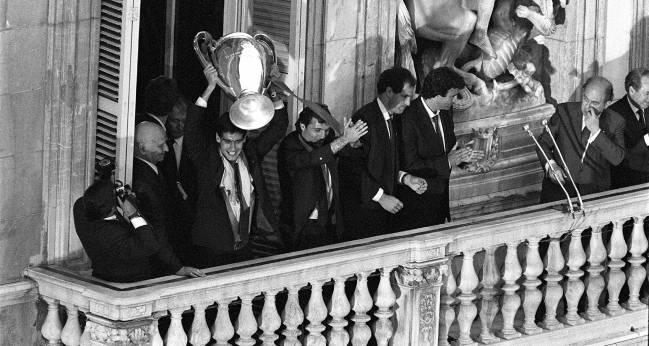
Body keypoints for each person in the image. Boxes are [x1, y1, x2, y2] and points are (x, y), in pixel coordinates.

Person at [185, 66, 288, 267]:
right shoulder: (206, 159)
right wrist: (209, 88)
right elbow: (191, 130)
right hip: (211, 249)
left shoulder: (250, 153)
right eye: (227, 142)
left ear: (245, 139)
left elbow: (278, 127)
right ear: (217, 138)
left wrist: (273, 88)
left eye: (238, 141)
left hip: (244, 246)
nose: (233, 148)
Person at [339, 67, 427, 240]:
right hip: (364, 216)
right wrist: (381, 197)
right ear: (388, 91)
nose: (408, 103)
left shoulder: (392, 118)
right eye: (404, 96)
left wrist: (406, 178)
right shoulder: (365, 119)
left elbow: (384, 164)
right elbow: (352, 168)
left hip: (382, 213)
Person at [399, 67, 484, 229]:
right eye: (452, 96)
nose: (455, 100)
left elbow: (449, 147)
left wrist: (464, 159)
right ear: (437, 95)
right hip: (416, 205)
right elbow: (410, 164)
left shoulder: (445, 111)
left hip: (441, 201)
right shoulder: (408, 117)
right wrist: (447, 161)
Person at [73, 180, 204, 283]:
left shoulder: (81, 207)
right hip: (129, 284)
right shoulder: (111, 236)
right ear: (112, 207)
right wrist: (133, 214)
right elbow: (151, 243)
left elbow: (93, 198)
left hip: (101, 276)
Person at [278, 105, 368, 250]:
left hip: (328, 221)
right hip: (303, 225)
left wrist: (353, 143)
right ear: (302, 126)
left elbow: (348, 156)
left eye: (326, 131)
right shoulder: (289, 145)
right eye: (317, 130)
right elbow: (312, 158)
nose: (322, 136)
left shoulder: (327, 139)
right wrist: (344, 140)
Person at [537, 76, 625, 203]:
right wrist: (551, 165)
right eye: (585, 99)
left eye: (594, 103)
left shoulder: (616, 122)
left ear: (607, 104)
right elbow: (543, 143)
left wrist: (596, 132)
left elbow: (617, 158)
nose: (587, 106)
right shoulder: (564, 111)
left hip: (593, 194)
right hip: (559, 190)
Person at [132, 122, 200, 276]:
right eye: (161, 145)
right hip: (157, 264)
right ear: (142, 148)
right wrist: (177, 268)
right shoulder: (143, 182)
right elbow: (157, 230)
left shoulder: (149, 170)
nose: (167, 149)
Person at [159, 97, 198, 263]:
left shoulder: (195, 143)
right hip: (167, 213)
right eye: (175, 121)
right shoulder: (160, 141)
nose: (180, 126)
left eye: (184, 121)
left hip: (191, 215)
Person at [609, 68, 649, 188]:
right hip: (628, 186)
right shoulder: (613, 115)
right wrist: (647, 139)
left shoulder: (646, 107)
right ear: (631, 90)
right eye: (647, 93)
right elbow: (621, 159)